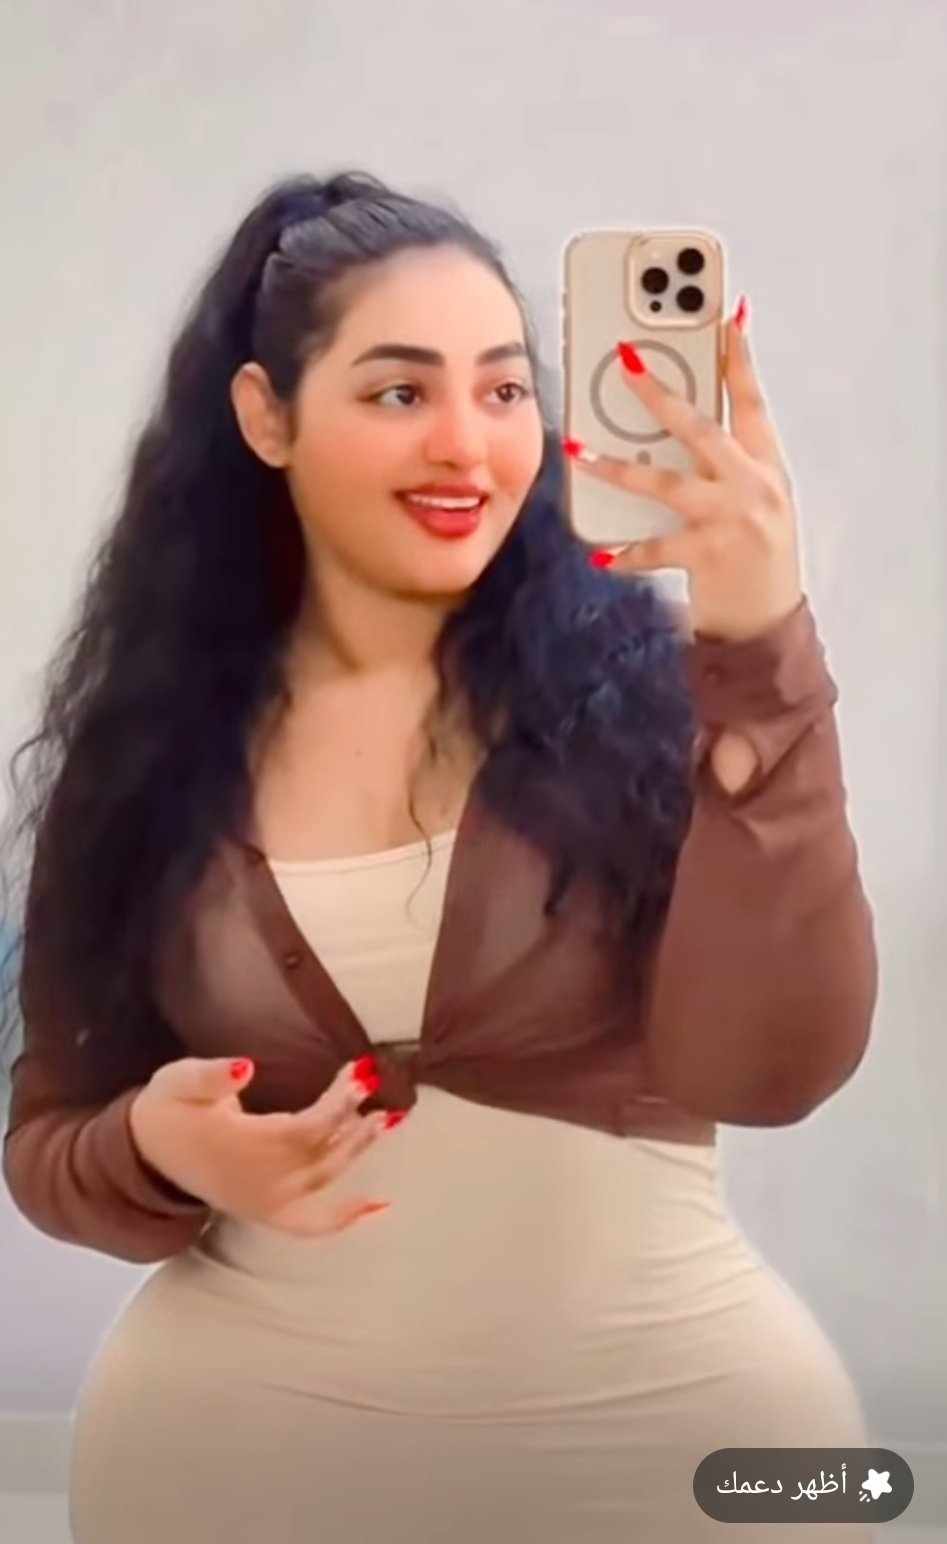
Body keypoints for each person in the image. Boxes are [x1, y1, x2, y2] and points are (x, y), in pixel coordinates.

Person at [1, 169, 878, 1542]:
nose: (468, 445)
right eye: (401, 391)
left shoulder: (666, 707)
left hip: (686, 1456)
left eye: (506, 388)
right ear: (266, 417)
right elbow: (48, 1142)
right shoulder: (142, 762)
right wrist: (156, 1147)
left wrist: (763, 645)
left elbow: (776, 1073)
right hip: (233, 1467)